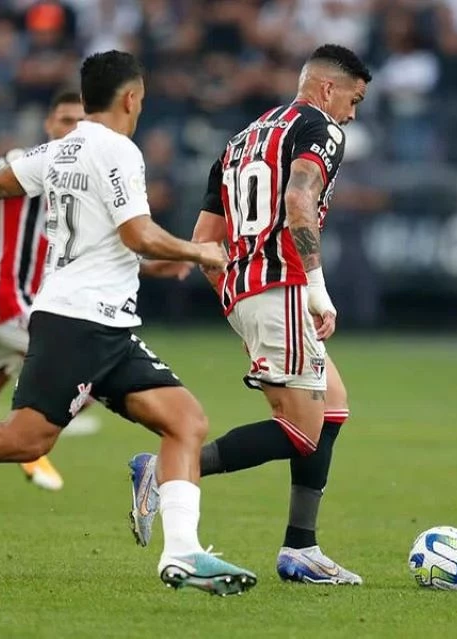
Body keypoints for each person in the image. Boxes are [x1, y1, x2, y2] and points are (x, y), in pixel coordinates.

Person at [0, 51, 258, 596]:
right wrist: (202, 254)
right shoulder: (120, 151)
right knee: (25, 440)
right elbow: (138, 235)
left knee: (186, 422)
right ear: (131, 98)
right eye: (142, 99)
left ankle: (182, 554)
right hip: (78, 322)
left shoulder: (60, 149)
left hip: (104, 323)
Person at [127, 44, 370, 585]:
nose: (352, 113)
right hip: (283, 286)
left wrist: (239, 308)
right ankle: (164, 471)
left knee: (332, 406)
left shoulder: (240, 140)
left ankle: (300, 549)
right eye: (353, 99)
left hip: (248, 292)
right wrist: (315, 287)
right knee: (303, 432)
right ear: (328, 89)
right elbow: (299, 202)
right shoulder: (322, 130)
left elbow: (203, 242)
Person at [0, 92, 191, 505]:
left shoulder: (86, 166)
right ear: (48, 124)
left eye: (78, 120)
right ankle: (33, 439)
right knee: (87, 367)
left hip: (37, 303)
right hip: (11, 298)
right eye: (63, 119)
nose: (70, 127)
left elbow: (106, 251)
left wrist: (158, 262)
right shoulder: (27, 159)